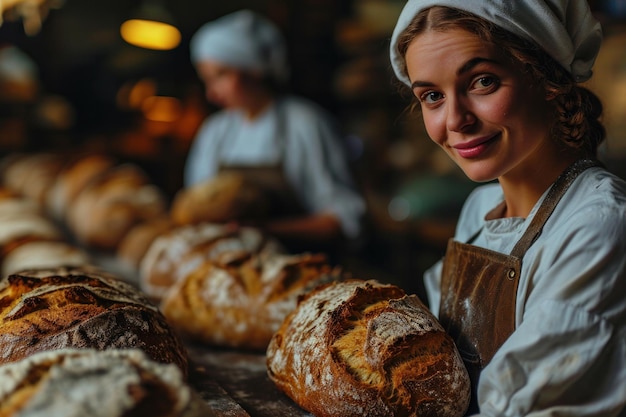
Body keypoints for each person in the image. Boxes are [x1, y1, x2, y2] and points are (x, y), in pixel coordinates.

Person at [389, 1, 626, 415]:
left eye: (482, 81)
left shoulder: (598, 225)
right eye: (431, 96)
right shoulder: (480, 209)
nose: (455, 120)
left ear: (548, 77)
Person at [185, 9, 365, 256]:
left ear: (254, 69)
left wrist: (265, 232)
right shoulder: (215, 132)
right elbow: (195, 211)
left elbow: (344, 221)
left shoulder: (305, 124)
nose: (211, 94)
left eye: (220, 76)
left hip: (301, 268)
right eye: (206, 80)